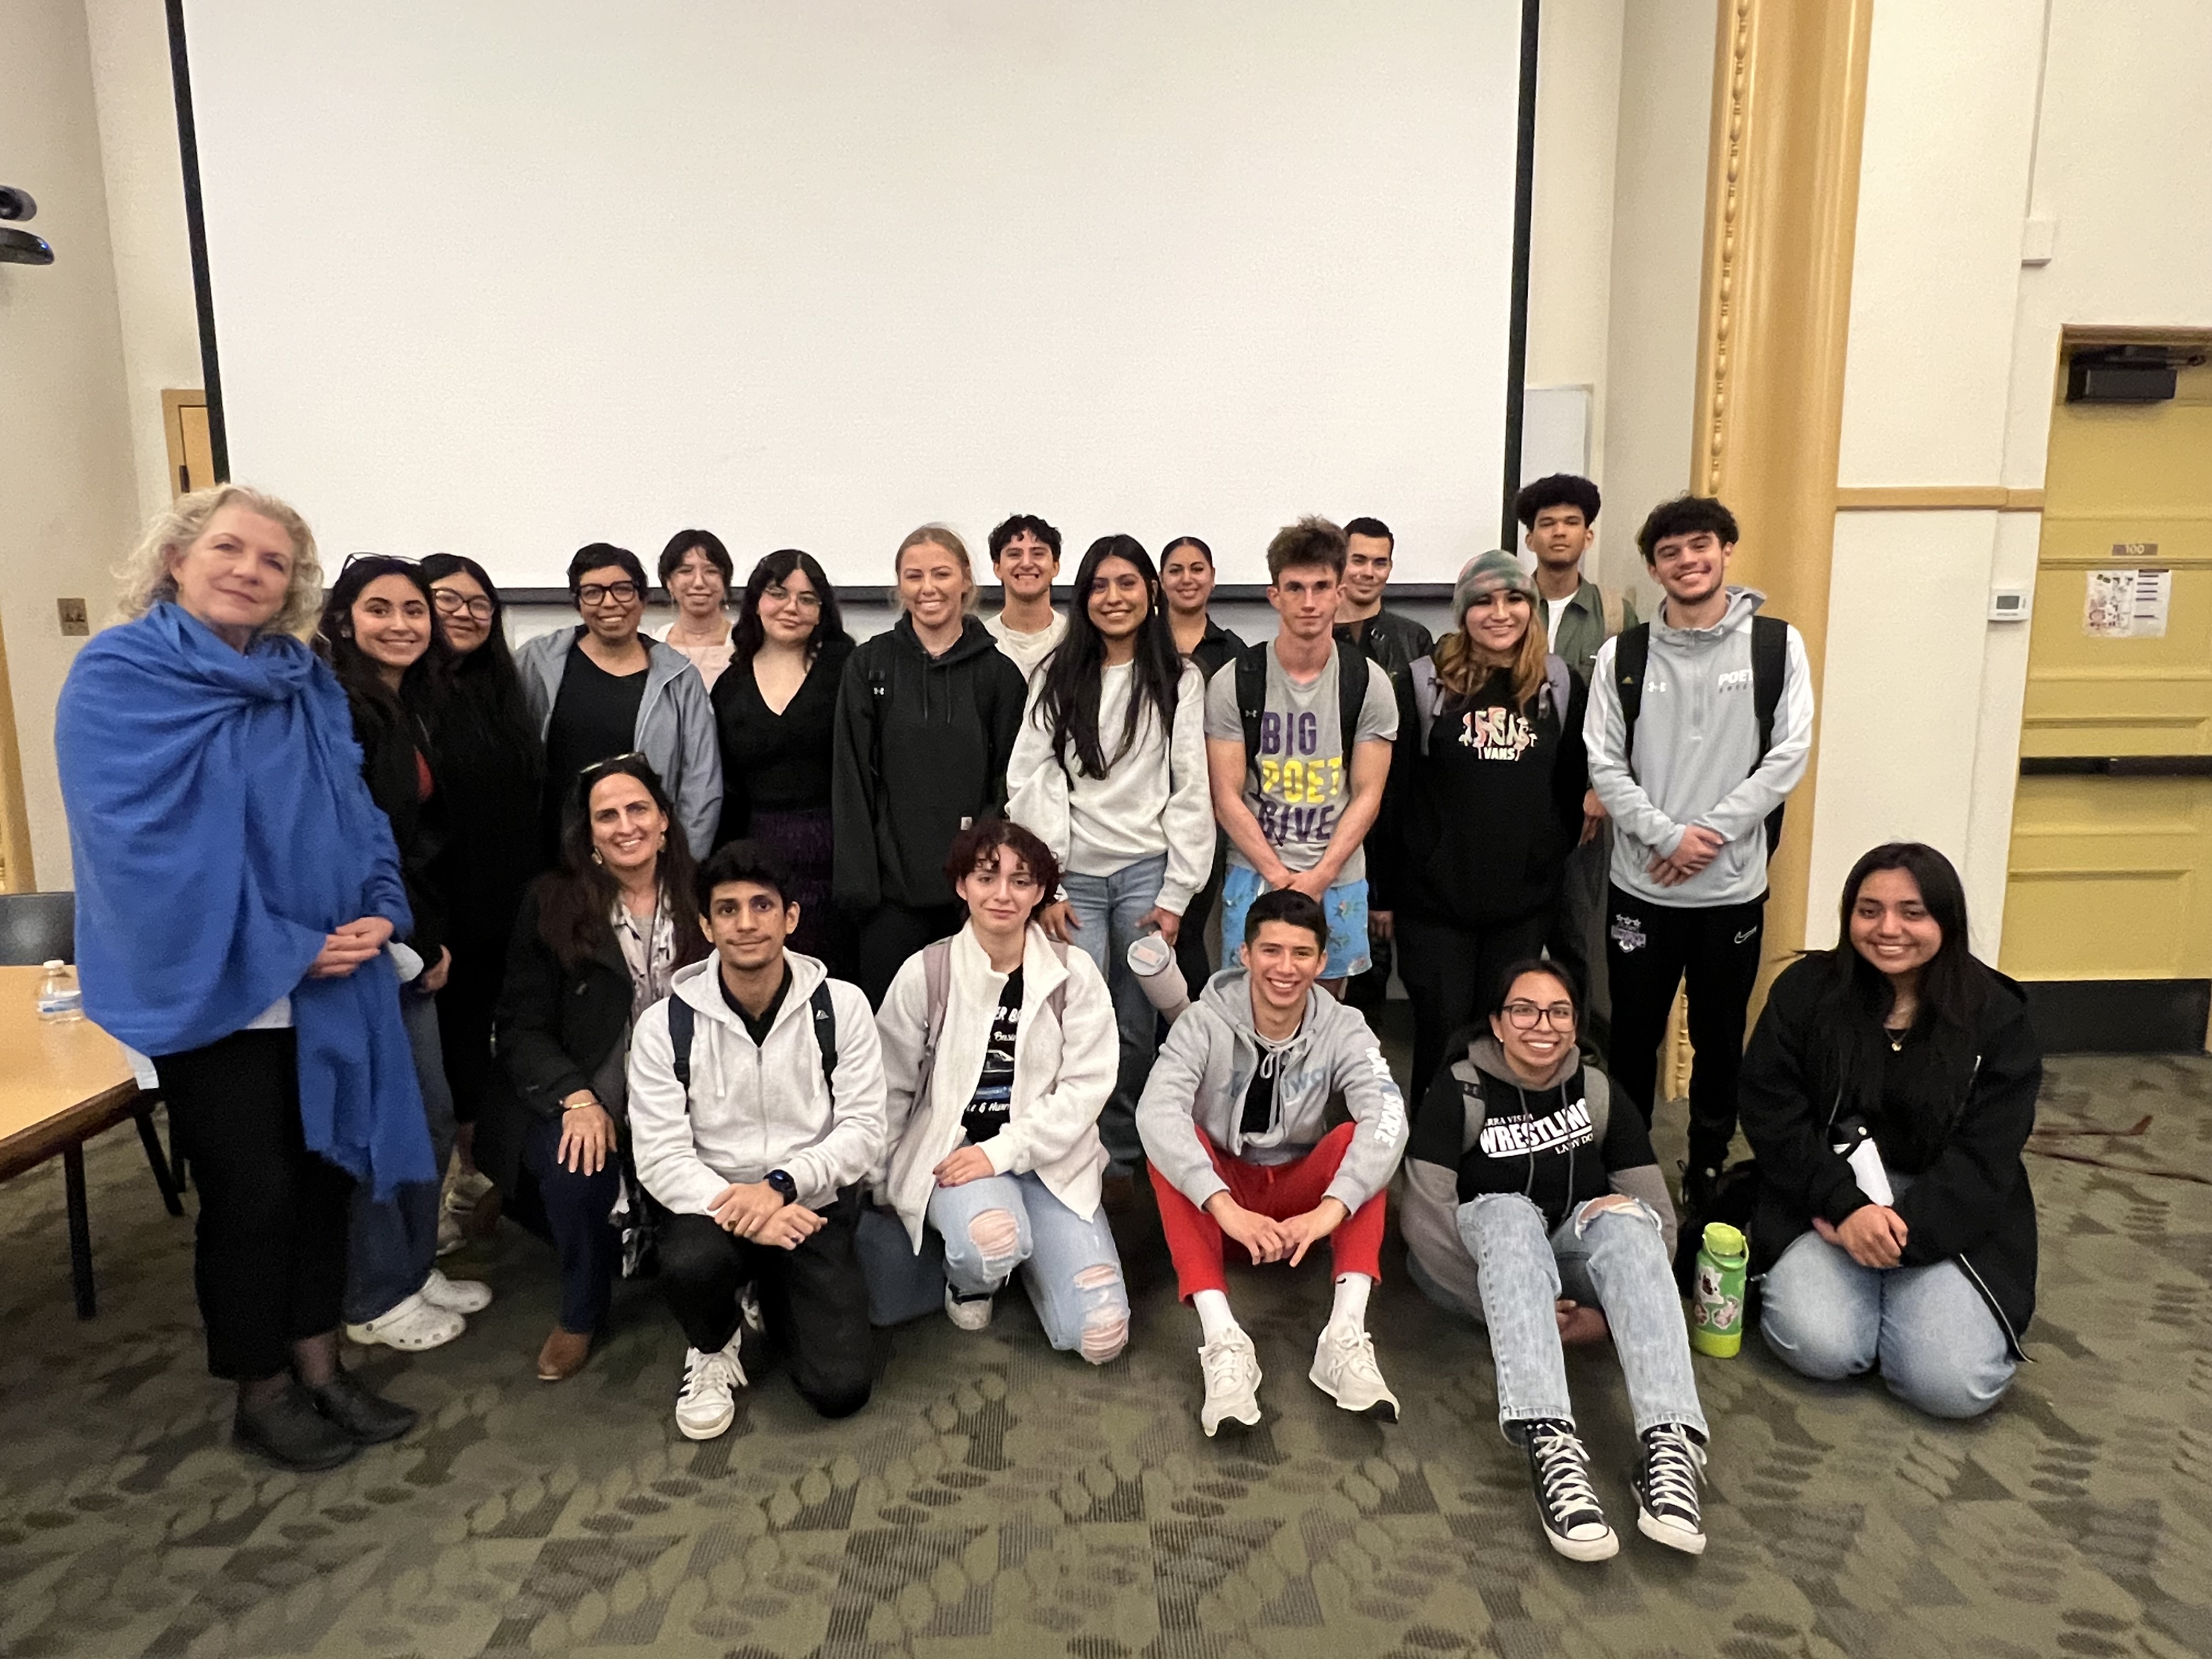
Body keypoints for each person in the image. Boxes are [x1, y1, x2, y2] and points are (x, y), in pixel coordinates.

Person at [55, 484, 428, 1472]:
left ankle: (322, 1362)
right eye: (229, 549)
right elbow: (138, 854)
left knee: (321, 1178)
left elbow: (355, 813)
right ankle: (259, 1389)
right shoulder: (116, 677)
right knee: (251, 1192)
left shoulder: (302, 679)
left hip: (331, 977)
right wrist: (290, 944)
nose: (249, 571)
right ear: (176, 559)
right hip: (217, 983)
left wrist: (384, 906)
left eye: (272, 561)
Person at [1401, 962, 1707, 1562]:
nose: (1543, 1025)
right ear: (1497, 1021)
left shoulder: (1596, 1090)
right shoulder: (1459, 1089)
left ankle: (1671, 1446)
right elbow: (1424, 1222)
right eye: (1523, 1010)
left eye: (1559, 1011)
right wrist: (1517, 1312)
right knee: (1508, 1213)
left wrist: (1608, 1317)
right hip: (1482, 1263)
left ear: (1574, 1022)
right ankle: (1551, 1443)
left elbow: (1658, 1222)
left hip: (1568, 1261)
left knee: (1625, 1218)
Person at [1740, 843, 2041, 1419]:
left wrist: (1905, 1238)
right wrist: (1847, 1209)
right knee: (1822, 1348)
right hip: (1826, 1197)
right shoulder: (1805, 991)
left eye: (1913, 912)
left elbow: (1988, 1154)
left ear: (1946, 922)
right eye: (1869, 910)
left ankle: (1902, 1307)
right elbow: (1773, 1115)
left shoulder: (1998, 1016)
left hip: (1947, 1207)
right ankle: (1873, 1309)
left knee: (1952, 1387)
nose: (1889, 929)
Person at [1583, 495, 1813, 1209]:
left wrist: (1705, 837)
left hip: (1730, 892)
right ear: (1654, 569)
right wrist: (1666, 837)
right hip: (1642, 890)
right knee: (1631, 1039)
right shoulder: (1625, 655)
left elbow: (1789, 755)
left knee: (1719, 1041)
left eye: (1701, 545)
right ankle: (1624, 1165)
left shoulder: (1777, 646)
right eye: (1672, 552)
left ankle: (1707, 1166)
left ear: (1726, 551)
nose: (1689, 560)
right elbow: (1603, 762)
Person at [628, 841, 888, 1432]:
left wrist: (779, 1188)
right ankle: (713, 1343)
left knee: (840, 1391)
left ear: (790, 917)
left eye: (762, 906)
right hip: (710, 1208)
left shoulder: (840, 1007)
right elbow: (661, 1157)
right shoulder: (664, 1026)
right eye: (727, 910)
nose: (746, 924)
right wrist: (752, 1211)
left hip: (807, 1205)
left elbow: (865, 1131)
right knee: (691, 1264)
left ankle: (768, 1289)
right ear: (706, 924)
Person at [1136, 889, 1407, 1436]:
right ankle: (1223, 1341)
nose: (1286, 968)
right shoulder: (1202, 1022)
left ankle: (1344, 1336)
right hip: (1225, 1207)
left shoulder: (1345, 1026)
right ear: (1245, 955)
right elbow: (1156, 1112)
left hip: (1299, 1210)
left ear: (1322, 962)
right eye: (1272, 951)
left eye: (1302, 954)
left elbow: (1388, 1115)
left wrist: (1332, 1210)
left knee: (1363, 1143)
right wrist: (1224, 1207)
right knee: (1171, 1144)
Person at [479, 756, 709, 1381]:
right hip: (590, 1089)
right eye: (606, 815)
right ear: (588, 832)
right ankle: (582, 1308)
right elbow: (520, 1025)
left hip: (692, 1090)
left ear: (664, 820)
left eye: (639, 810)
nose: (625, 825)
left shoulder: (704, 894)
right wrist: (576, 1099)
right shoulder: (552, 903)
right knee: (572, 1164)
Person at [314, 557, 493, 1353]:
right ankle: (375, 1293)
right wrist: (410, 944)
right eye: (379, 609)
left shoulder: (406, 702)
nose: (401, 624)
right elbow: (355, 844)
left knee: (426, 1112)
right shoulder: (340, 708)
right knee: (391, 1121)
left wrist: (429, 937)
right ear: (344, 618)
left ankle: (411, 1268)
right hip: (369, 948)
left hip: (409, 938)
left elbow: (414, 844)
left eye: (413, 611)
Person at [873, 820, 1128, 1361]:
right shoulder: (929, 971)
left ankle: (1033, 1255)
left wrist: (1004, 1154)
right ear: (962, 886)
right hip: (957, 1153)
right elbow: (890, 1083)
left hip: (1051, 1162)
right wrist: (882, 1174)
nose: (1003, 894)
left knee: (1101, 1336)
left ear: (1040, 893)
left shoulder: (1074, 973)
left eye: (1021, 880)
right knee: (991, 1242)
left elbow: (1086, 1090)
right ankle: (975, 1280)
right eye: (987, 877)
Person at [1007, 534, 1209, 1175]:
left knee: (1134, 1025)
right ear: (1084, 595)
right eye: (1100, 585)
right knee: (1071, 1023)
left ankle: (1122, 1161)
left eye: (1127, 584)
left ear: (1150, 592)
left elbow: (1190, 788)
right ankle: (1069, 1152)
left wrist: (1176, 894)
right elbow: (1027, 779)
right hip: (1076, 879)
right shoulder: (1055, 674)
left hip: (1148, 874)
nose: (1114, 598)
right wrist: (1051, 885)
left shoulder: (1179, 678)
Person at [1373, 551, 1590, 1098]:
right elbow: (1394, 794)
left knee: (1506, 1036)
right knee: (1443, 1037)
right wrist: (1386, 893)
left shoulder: (1558, 685)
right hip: (1434, 906)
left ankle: (1493, 1159)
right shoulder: (1425, 683)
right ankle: (1432, 1163)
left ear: (1531, 606)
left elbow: (1571, 788)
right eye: (1484, 602)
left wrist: (1542, 858)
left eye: (1515, 598)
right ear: (1463, 612)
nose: (1501, 613)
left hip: (1521, 908)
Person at [832, 524, 1028, 1006]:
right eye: (913, 576)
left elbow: (1011, 782)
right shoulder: (868, 666)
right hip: (889, 898)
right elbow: (851, 778)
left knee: (971, 1029)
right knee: (890, 1036)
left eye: (941, 574)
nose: (928, 588)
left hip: (973, 898)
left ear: (966, 580)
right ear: (899, 586)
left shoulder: (998, 674)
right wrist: (863, 889)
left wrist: (983, 874)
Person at [1204, 516, 1398, 997]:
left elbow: (1368, 795)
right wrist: (1278, 875)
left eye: (1321, 587)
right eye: (1295, 588)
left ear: (1340, 592)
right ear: (1275, 595)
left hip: (1337, 876)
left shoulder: (1369, 682)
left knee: (1324, 1017)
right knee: (1247, 1006)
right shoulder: (1235, 679)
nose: (1309, 602)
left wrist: (1320, 877)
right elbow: (1225, 795)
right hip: (1255, 873)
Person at [421, 551, 543, 1242]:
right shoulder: (407, 701)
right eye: (447, 600)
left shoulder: (502, 691)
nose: (464, 615)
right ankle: (447, 1190)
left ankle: (480, 1178)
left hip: (508, 906)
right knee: (449, 1061)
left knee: (492, 1051)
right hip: (443, 917)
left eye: (478, 604)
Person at [1516, 474, 1637, 1062]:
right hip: (1514, 796)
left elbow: (1630, 711)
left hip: (1586, 806)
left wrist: (1599, 787)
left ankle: (1578, 1056)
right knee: (1514, 932)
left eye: (1569, 522)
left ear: (1587, 535)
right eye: (1546, 523)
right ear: (1530, 539)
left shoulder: (1614, 613)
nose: (1558, 532)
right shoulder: (1508, 605)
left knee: (1577, 934)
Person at [517, 542, 721, 860]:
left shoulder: (679, 678)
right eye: (593, 592)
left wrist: (683, 867)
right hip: (553, 858)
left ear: (643, 598)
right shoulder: (537, 662)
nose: (609, 603)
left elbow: (701, 785)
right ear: (577, 602)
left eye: (623, 590)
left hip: (643, 863)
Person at [713, 548, 856, 967]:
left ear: (821, 610)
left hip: (839, 855)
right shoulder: (730, 685)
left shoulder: (849, 669)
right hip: (760, 857)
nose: (792, 608)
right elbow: (727, 787)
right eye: (779, 593)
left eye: (807, 598)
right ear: (757, 600)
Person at [1333, 516, 1434, 1009]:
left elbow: (1424, 749)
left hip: (1394, 824)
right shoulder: (1311, 633)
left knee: (1371, 969)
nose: (1368, 572)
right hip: (1320, 817)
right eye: (1358, 560)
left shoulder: (1414, 641)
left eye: (1380, 562)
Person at [1159, 534, 1244, 992]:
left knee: (1189, 930)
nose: (1187, 579)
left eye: (1197, 569)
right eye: (1176, 570)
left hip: (1209, 811)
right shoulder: (1139, 644)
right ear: (1160, 582)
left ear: (1212, 579)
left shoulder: (1234, 653)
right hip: (1145, 807)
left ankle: (1190, 1035)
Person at [984, 513, 1068, 682]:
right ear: (997, 568)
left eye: (1038, 554)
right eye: (1015, 554)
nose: (1027, 564)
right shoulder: (981, 641)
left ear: (1055, 567)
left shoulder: (1073, 639)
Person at [656, 529, 737, 690]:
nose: (699, 582)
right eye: (686, 571)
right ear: (669, 582)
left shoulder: (744, 642)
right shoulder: (656, 644)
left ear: (725, 581)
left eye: (711, 571)